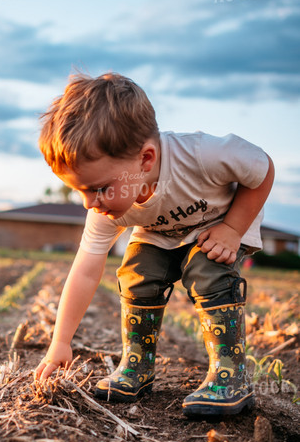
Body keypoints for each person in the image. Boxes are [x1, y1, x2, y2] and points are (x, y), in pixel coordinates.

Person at [34, 73, 275, 416]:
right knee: (136, 273)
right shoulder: (107, 205)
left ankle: (230, 375)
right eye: (81, 190)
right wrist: (60, 341)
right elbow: (85, 271)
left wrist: (233, 229)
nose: (90, 202)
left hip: (218, 225)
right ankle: (137, 367)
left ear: (145, 160)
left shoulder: (202, 155)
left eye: (99, 188)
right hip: (161, 232)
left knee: (206, 272)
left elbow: (263, 169)